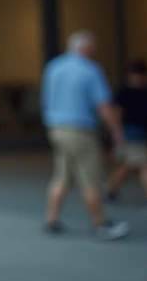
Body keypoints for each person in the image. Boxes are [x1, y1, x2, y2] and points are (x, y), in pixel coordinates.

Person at [41, 30, 129, 240]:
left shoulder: (54, 67)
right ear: (86, 48)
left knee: (62, 175)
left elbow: (45, 98)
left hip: (57, 129)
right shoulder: (90, 70)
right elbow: (103, 105)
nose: (95, 52)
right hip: (80, 131)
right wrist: (117, 131)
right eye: (94, 48)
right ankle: (101, 224)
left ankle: (51, 219)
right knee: (91, 179)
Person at [104, 60, 147, 214]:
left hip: (140, 133)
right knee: (146, 165)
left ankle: (109, 190)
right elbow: (118, 113)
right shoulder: (126, 92)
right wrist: (117, 132)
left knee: (127, 165)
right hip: (131, 134)